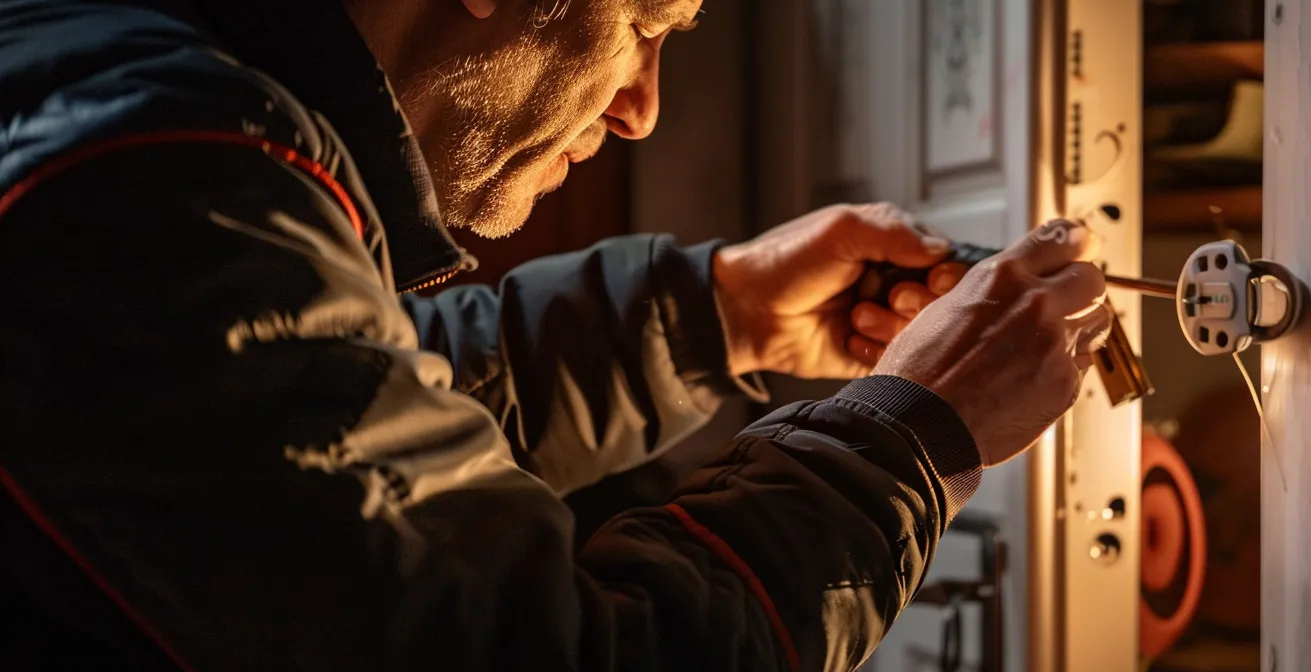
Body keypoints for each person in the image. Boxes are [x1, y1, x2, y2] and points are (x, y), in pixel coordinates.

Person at [0, 0, 1113, 670]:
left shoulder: (127, 94)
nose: (642, 107)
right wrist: (903, 442)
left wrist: (709, 319)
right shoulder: (161, 179)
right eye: (640, 27)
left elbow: (330, 442)